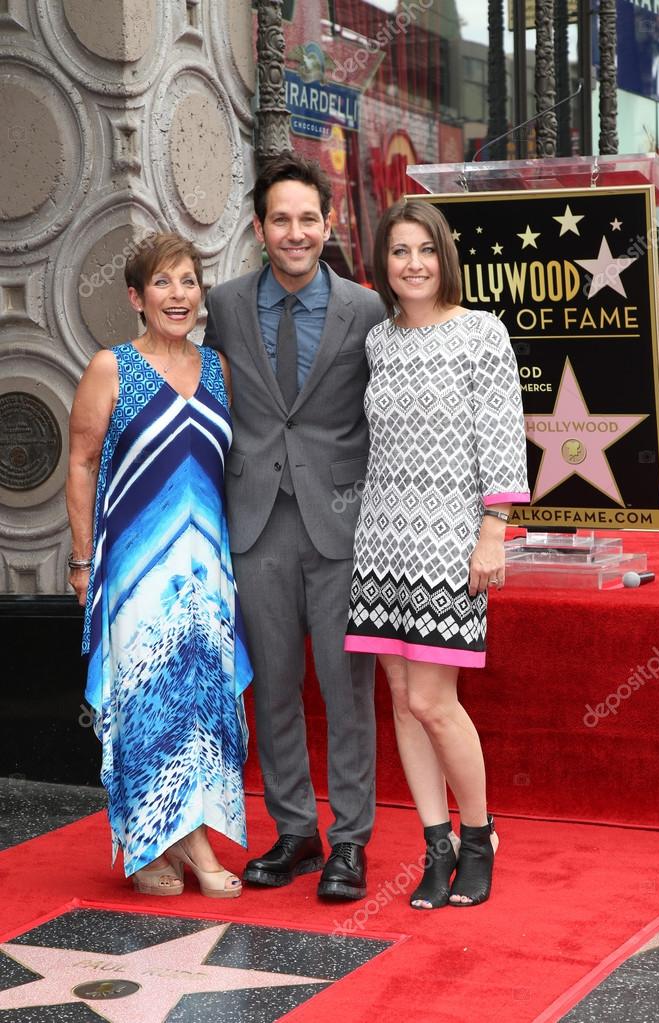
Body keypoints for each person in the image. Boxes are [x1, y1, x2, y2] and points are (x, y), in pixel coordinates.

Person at [203, 152, 384, 900]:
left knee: (346, 687)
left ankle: (349, 841)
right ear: (259, 227)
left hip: (341, 522)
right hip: (255, 522)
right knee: (274, 685)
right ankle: (296, 832)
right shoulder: (223, 303)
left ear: (329, 222)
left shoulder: (367, 310)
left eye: (309, 217)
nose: (296, 231)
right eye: (281, 219)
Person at [345, 200, 529, 909]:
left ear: (443, 256)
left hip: (451, 538)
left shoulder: (480, 332)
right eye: (399, 251)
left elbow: (503, 432)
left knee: (433, 699)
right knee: (399, 697)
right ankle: (435, 844)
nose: (413, 263)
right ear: (383, 263)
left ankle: (479, 836)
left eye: (425, 249)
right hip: (382, 536)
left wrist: (493, 527)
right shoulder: (379, 342)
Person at [67, 232, 252, 898]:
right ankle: (189, 848)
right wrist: (83, 559)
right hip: (136, 570)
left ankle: (158, 846)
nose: (178, 296)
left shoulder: (218, 369)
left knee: (199, 709)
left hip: (207, 570)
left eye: (188, 282)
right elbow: (83, 463)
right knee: (150, 702)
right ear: (136, 298)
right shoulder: (110, 367)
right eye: (164, 284)